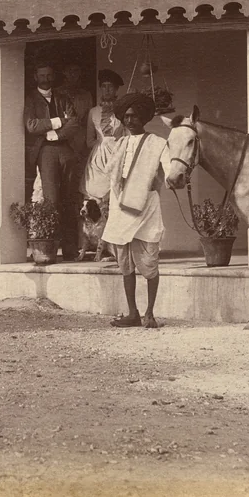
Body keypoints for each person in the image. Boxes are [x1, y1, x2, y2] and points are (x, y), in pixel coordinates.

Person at [101, 92, 170, 329]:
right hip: (121, 208)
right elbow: (111, 177)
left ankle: (150, 313)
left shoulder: (158, 143)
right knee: (125, 263)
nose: (129, 121)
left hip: (146, 207)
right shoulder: (118, 144)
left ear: (143, 118)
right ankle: (133, 313)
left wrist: (171, 178)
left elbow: (170, 170)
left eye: (134, 116)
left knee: (149, 261)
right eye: (126, 117)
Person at [23, 60, 83, 261]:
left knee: (69, 197)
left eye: (48, 75)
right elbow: (31, 125)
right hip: (45, 151)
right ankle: (48, 249)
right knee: (51, 200)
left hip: (64, 147)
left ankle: (70, 250)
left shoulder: (63, 97)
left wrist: (55, 134)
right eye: (42, 75)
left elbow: (74, 122)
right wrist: (59, 121)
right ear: (35, 77)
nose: (46, 79)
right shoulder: (31, 99)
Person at [83, 68, 128, 203]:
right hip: (98, 158)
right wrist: (100, 147)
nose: (107, 90)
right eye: (104, 87)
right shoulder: (94, 112)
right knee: (95, 196)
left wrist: (116, 146)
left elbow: (128, 136)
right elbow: (89, 140)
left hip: (118, 154)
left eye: (110, 87)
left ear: (116, 90)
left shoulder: (124, 111)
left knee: (117, 195)